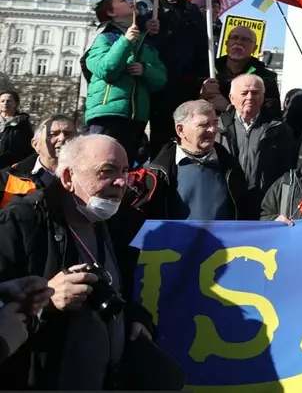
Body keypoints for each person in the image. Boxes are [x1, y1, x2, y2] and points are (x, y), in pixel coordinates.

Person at [0, 135, 183, 390]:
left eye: (125, 171)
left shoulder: (118, 224)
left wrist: (136, 319)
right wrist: (47, 300)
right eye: (106, 171)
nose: (121, 182)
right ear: (67, 178)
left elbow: (122, 292)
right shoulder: (22, 221)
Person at [82, 0, 168, 163]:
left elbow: (162, 78)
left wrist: (145, 70)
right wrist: (125, 41)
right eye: (122, 0)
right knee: (100, 163)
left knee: (125, 166)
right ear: (111, 13)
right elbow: (106, 69)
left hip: (136, 117)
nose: (130, 2)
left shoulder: (146, 41)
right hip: (107, 114)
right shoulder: (104, 37)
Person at [139, 0, 211, 157]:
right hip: (146, 87)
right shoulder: (141, 9)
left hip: (181, 89)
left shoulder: (193, 12)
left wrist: (202, 81)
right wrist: (146, 29)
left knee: (175, 144)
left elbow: (202, 51)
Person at [142, 100, 249, 220]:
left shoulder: (230, 165)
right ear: (180, 130)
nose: (213, 130)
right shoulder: (158, 172)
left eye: (215, 123)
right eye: (204, 124)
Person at [218, 74, 297, 213]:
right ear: (232, 98)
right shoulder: (218, 129)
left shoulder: (279, 129)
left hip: (265, 206)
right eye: (244, 93)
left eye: (255, 92)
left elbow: (289, 170)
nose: (249, 97)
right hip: (227, 204)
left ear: (263, 97)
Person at [0, 116, 77, 209]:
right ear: (35, 144)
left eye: (68, 134)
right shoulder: (8, 176)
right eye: (53, 134)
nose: (62, 138)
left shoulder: (88, 174)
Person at [206, 25, 282, 118]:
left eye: (245, 39)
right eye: (234, 38)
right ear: (226, 43)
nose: (238, 42)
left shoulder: (266, 77)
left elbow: (272, 115)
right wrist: (201, 95)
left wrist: (229, 108)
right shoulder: (206, 70)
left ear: (254, 48)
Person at [0, 91, 33, 169]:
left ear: (15, 104)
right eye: (2, 101)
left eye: (9, 101)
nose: (5, 103)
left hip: (11, 166)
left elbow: (29, 146)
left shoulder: (22, 123)